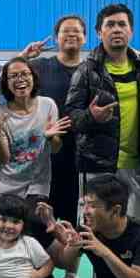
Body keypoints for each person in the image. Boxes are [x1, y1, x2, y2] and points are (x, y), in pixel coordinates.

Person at [65, 3, 140, 232]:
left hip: (136, 165)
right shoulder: (86, 71)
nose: (117, 29)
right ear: (100, 32)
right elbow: (72, 117)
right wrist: (91, 116)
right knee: (94, 230)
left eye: (122, 24)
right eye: (110, 25)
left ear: (131, 31)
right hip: (97, 165)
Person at [21, 15, 88, 224]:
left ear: (85, 38)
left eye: (76, 31)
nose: (71, 35)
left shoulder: (91, 70)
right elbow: (5, 82)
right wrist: (23, 57)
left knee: (73, 223)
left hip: (79, 158)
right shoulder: (39, 66)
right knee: (39, 221)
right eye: (65, 31)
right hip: (44, 158)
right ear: (57, 38)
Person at [0, 56, 71, 201]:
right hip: (5, 187)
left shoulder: (48, 105)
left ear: (33, 77)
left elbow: (55, 149)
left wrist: (50, 137)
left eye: (25, 74)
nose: (20, 79)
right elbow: (3, 160)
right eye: (13, 76)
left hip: (37, 186)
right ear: (6, 83)